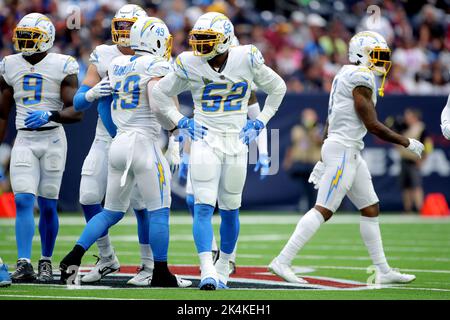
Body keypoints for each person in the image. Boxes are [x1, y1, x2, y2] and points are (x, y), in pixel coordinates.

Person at [269, 31, 424, 285]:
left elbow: (332, 117)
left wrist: (323, 155)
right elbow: (372, 124)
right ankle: (282, 260)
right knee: (324, 209)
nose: (381, 61)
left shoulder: (345, 73)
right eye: (376, 55)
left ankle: (382, 269)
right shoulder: (360, 77)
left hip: (346, 149)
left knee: (370, 207)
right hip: (343, 150)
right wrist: (406, 141)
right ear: (360, 54)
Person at [151, 12, 286, 290]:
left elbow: (278, 88)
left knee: (230, 209)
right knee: (201, 207)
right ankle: (207, 269)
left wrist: (260, 122)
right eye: (198, 38)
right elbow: (159, 94)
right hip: (205, 139)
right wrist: (180, 122)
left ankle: (224, 264)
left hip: (236, 142)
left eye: (207, 39)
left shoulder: (246, 57)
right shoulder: (189, 62)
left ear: (224, 41)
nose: (200, 45)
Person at [59, 16, 191, 288]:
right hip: (144, 144)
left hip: (117, 143)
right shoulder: (156, 65)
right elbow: (158, 105)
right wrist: (177, 124)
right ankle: (161, 273)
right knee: (158, 211)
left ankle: (75, 253)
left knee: (110, 211)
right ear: (154, 40)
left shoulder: (117, 64)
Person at [72, 4, 156, 286]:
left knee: (143, 205)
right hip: (105, 137)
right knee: (87, 197)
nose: (123, 32)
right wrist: (92, 92)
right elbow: (78, 101)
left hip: (138, 136)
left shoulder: (153, 56)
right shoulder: (104, 53)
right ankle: (107, 258)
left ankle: (148, 264)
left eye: (129, 27)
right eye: (119, 26)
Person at [0, 13, 81, 282]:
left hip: (53, 139)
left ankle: (45, 260)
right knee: (23, 199)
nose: (23, 41)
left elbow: (76, 111)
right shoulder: (9, 64)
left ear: (46, 38)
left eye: (30, 37)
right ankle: (24, 262)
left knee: (47, 205)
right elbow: (2, 112)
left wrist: (51, 115)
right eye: (21, 36)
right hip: (24, 138)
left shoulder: (62, 65)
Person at [283, 108, 323, 211]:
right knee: (302, 186)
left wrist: (312, 131)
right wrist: (288, 161)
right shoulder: (297, 129)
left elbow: (321, 142)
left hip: (313, 163)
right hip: (300, 162)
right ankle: (302, 206)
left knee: (312, 187)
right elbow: (291, 145)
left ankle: (313, 207)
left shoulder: (319, 129)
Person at [398, 108, 432, 213]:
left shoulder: (421, 128)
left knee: (416, 185)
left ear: (414, 117)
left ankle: (419, 208)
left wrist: (423, 159)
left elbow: (428, 145)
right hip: (404, 160)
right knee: (406, 187)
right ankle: (407, 209)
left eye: (408, 116)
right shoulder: (405, 127)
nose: (406, 118)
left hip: (414, 161)